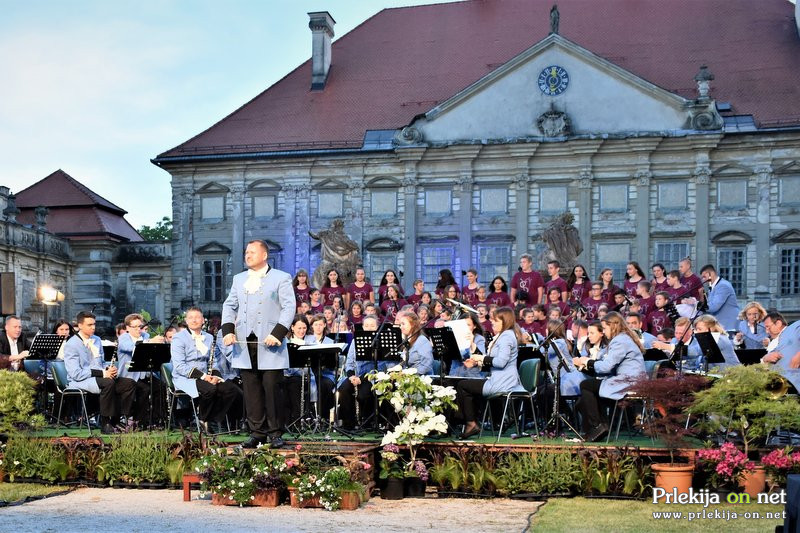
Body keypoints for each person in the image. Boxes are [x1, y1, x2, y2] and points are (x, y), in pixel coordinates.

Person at [221, 239, 296, 449]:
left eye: (252, 252)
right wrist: (228, 331)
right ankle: (257, 432)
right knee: (251, 389)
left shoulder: (281, 277)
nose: (247, 255)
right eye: (246, 252)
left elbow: (289, 307)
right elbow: (229, 306)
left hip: (270, 340)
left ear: (264, 255)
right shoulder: (239, 279)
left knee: (272, 388)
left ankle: (275, 433)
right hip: (245, 342)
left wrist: (278, 333)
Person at [572, 311, 645, 442]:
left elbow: (606, 367)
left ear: (613, 326)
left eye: (605, 328)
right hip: (626, 379)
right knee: (590, 391)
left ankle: (598, 426)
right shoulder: (622, 339)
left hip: (630, 381)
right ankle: (599, 427)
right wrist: (587, 363)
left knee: (586, 385)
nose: (604, 332)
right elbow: (605, 365)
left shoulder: (620, 341)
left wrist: (586, 361)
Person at [456, 307, 525, 439]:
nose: (491, 322)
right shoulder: (504, 336)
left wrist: (480, 358)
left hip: (503, 383)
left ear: (505, 321)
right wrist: (476, 362)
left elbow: (500, 362)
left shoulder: (506, 337)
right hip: (499, 379)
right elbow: (494, 363)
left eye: (495, 320)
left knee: (462, 386)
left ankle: (471, 423)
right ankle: (471, 422)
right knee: (464, 384)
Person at [63, 311, 136, 434]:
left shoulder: (96, 340)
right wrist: (102, 373)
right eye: (89, 325)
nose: (93, 327)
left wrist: (109, 369)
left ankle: (116, 419)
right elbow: (76, 373)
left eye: (94, 324)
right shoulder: (71, 344)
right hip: (79, 381)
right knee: (108, 383)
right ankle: (105, 423)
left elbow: (101, 362)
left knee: (129, 383)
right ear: (80, 326)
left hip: (99, 377)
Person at [171, 307, 241, 433]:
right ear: (186, 321)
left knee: (231, 390)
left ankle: (212, 420)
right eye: (191, 318)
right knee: (210, 390)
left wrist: (215, 376)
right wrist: (204, 377)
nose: (194, 320)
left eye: (197, 317)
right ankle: (204, 419)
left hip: (207, 376)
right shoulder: (178, 338)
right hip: (186, 377)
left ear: (203, 320)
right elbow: (180, 366)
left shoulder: (209, 337)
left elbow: (214, 361)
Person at [337, 315, 385, 429]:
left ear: (377, 327)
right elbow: (349, 362)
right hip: (355, 376)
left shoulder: (381, 341)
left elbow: (382, 366)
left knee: (364, 394)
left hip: (371, 378)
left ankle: (366, 422)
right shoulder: (355, 341)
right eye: (366, 325)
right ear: (362, 327)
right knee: (343, 389)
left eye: (372, 326)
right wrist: (351, 376)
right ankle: (348, 423)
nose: (369, 328)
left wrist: (361, 379)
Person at [761, 312, 800, 392]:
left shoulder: (795, 327)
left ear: (778, 323)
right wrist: (765, 359)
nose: (767, 331)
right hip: (783, 389)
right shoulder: (772, 343)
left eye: (768, 327)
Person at [699, 264, 740, 331]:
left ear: (711, 274)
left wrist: (699, 305)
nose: (703, 280)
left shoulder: (723, 286)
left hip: (729, 325)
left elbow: (713, 307)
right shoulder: (713, 287)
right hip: (721, 324)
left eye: (704, 276)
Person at [448, 312, 487, 378]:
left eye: (468, 325)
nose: (465, 327)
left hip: (471, 375)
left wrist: (471, 343)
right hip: (455, 374)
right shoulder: (455, 338)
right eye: (463, 325)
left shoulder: (479, 339)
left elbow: (481, 358)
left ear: (474, 326)